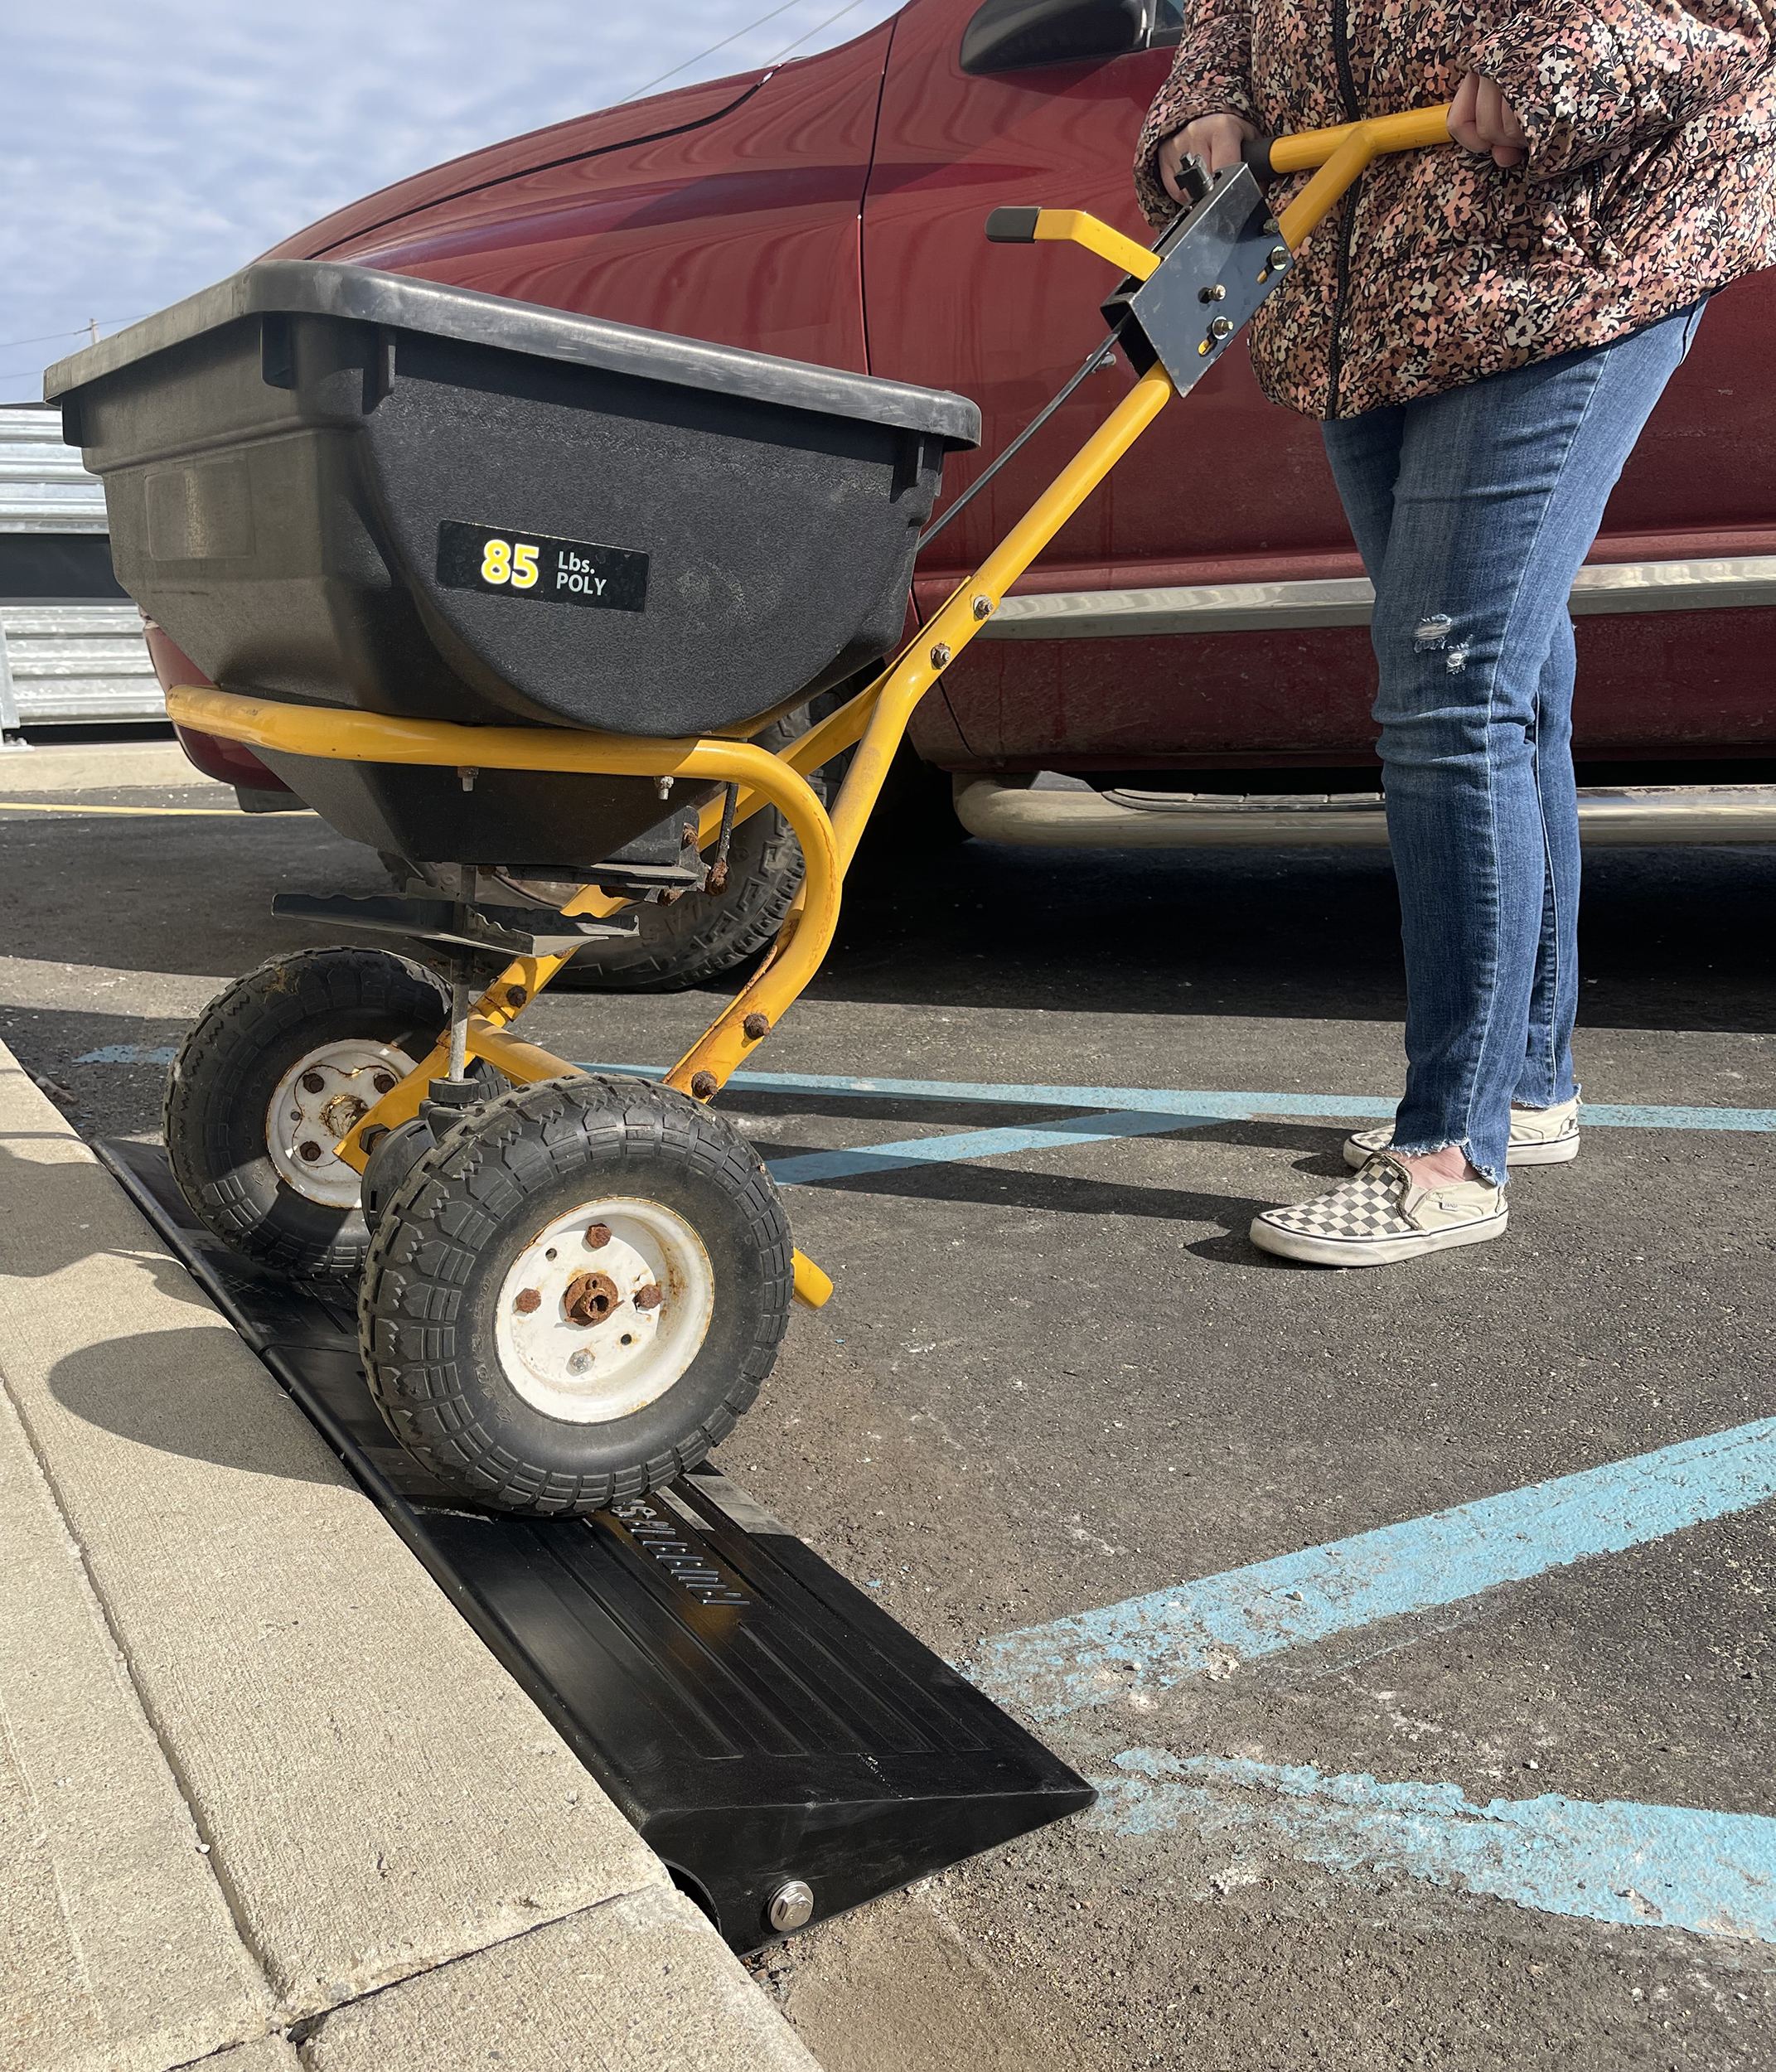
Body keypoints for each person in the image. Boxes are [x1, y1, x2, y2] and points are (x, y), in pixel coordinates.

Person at [1132, 0, 1776, 1268]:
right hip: (1362, 265)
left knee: (1449, 683)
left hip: (1563, 252)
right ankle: (1524, 1086)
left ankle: (1447, 1154)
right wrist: (1202, 106)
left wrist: (1562, 66)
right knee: (1499, 678)